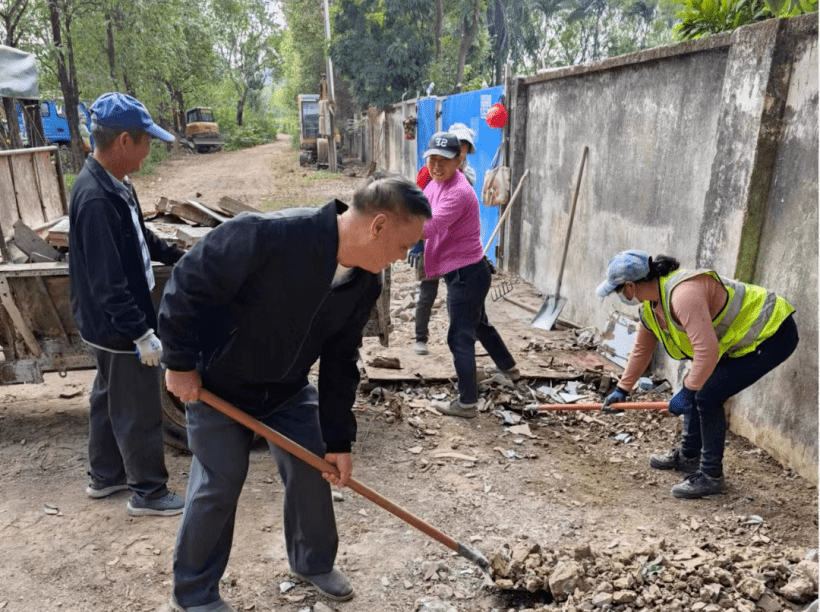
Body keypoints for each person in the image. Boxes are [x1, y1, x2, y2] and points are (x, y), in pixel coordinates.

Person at [158, 177, 431, 612]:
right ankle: (193, 593)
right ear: (378, 225)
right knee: (219, 480)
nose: (402, 258)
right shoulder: (267, 235)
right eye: (404, 246)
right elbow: (188, 283)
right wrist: (179, 361)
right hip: (219, 386)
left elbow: (341, 360)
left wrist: (339, 441)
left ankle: (312, 563)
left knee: (314, 464)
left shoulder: (364, 284)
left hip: (285, 391)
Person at [597, 250, 799, 499]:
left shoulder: (683, 294)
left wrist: (686, 394)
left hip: (772, 332)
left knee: (706, 395)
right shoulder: (651, 308)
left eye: (618, 291)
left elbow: (706, 350)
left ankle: (711, 476)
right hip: (743, 339)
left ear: (629, 287)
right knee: (697, 386)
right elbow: (641, 349)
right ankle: (689, 456)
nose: (620, 296)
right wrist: (622, 390)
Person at [68, 92, 186, 516]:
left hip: (103, 325)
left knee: (107, 397)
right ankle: (149, 493)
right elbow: (108, 283)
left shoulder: (115, 184)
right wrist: (141, 333)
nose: (149, 150)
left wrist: (176, 255)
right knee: (137, 407)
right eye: (146, 141)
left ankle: (105, 476)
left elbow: (140, 237)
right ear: (122, 142)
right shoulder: (97, 199)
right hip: (116, 327)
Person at [420, 131, 518, 419]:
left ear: (459, 160)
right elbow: (421, 203)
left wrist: (394, 232)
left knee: (459, 337)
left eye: (444, 160)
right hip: (465, 271)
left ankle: (466, 403)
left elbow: (431, 226)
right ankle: (509, 368)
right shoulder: (437, 183)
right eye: (432, 160)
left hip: (466, 274)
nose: (437, 166)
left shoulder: (457, 191)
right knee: (478, 324)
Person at [410, 122, 477, 356]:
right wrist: (417, 245)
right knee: (427, 294)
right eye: (459, 145)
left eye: (464, 146)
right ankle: (420, 338)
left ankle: (456, 339)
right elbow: (419, 213)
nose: (462, 149)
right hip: (431, 244)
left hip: (454, 249)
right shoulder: (429, 174)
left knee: (454, 297)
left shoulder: (466, 177)